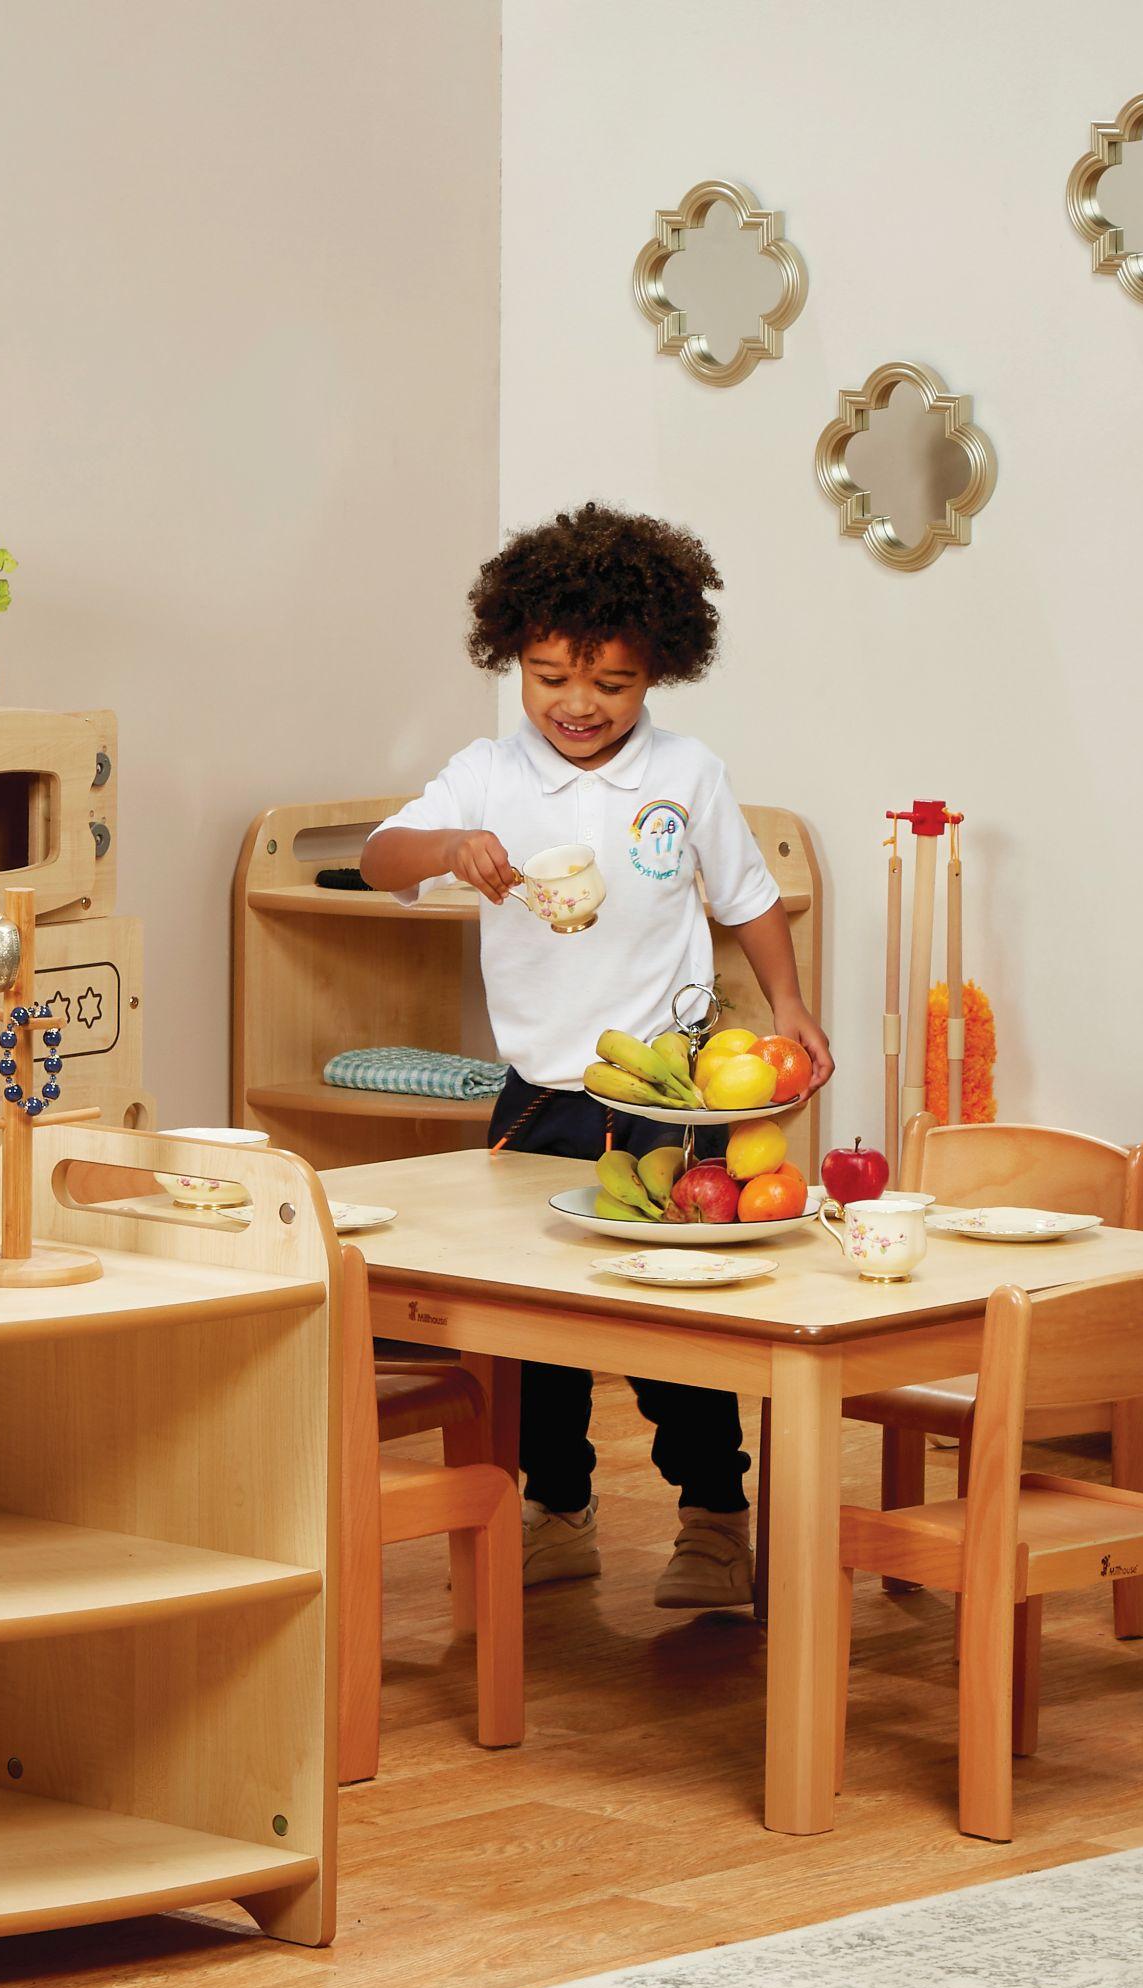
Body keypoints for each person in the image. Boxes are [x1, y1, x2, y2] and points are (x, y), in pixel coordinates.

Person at [358, 503, 833, 1607]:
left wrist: (792, 1003)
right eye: (549, 677)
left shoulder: (687, 773)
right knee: (530, 1329)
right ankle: (556, 1510)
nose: (577, 703)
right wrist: (449, 846)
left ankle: (715, 1517)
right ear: (513, 660)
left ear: (658, 669)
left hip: (669, 1096)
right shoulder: (489, 773)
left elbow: (748, 897)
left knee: (676, 1322)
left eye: (611, 683)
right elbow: (382, 858)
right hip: (538, 1097)